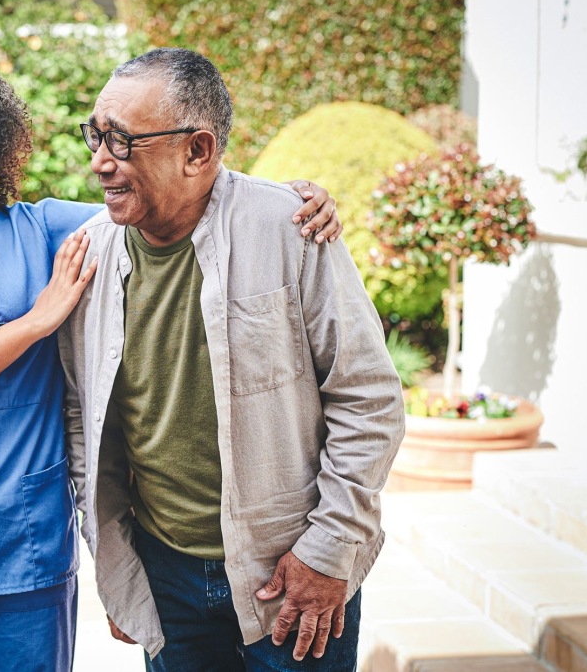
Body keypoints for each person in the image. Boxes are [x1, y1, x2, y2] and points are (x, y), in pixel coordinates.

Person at [0, 40, 343, 672]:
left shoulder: (40, 231)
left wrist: (286, 200)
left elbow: (171, 194)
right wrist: (34, 324)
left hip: (20, 550)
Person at [59, 48, 405, 672]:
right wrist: (118, 567)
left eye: (123, 141)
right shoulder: (89, 255)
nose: (99, 161)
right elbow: (83, 420)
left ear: (198, 151)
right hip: (163, 575)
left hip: (292, 572)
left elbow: (368, 399)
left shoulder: (290, 227)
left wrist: (330, 548)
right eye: (97, 135)